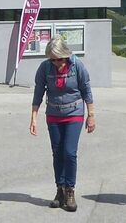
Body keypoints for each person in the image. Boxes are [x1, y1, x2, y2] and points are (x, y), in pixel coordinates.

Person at [30, 36, 95, 212]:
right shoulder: (45, 68)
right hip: (53, 114)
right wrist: (34, 118)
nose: (56, 62)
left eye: (59, 59)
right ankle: (60, 189)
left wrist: (91, 115)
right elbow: (38, 93)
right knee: (57, 153)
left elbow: (86, 90)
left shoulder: (77, 66)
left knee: (69, 152)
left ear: (65, 55)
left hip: (74, 112)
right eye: (53, 59)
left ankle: (70, 190)